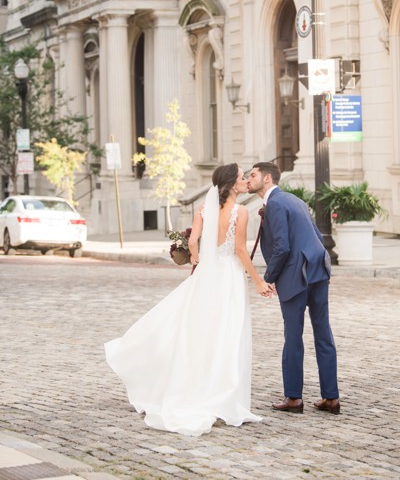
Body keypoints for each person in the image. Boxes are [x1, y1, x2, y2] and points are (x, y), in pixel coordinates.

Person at [105, 164, 273, 436]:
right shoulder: (240, 212)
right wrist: (258, 280)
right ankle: (222, 395)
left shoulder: (204, 210)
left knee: (200, 331)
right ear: (231, 185)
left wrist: (197, 259)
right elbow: (240, 249)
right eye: (242, 178)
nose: (245, 182)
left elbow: (193, 241)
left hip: (208, 275)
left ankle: (197, 385)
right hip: (228, 276)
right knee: (227, 333)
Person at [247, 162, 340, 415]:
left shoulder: (275, 203)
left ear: (267, 179)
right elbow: (317, 237)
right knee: (323, 334)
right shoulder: (293, 200)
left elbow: (282, 247)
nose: (248, 178)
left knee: (293, 336)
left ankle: (293, 398)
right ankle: (331, 398)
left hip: (295, 277)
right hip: (318, 271)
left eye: (252, 175)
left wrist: (267, 278)